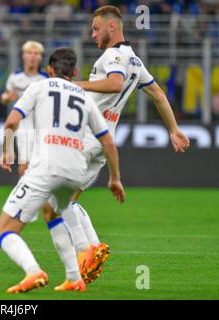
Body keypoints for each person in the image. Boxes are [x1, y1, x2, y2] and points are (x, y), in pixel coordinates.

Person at [43, 5, 191, 284]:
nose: (92, 34)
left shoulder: (112, 56)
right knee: (65, 201)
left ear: (112, 27)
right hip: (102, 141)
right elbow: (158, 94)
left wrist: (74, 85)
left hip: (84, 139)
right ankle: (93, 249)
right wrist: (174, 129)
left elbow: (113, 84)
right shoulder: (134, 59)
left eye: (96, 28)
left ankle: (87, 252)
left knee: (55, 199)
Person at [0, 47, 125, 293]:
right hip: (75, 170)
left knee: (3, 231)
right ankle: (74, 276)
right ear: (75, 72)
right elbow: (108, 141)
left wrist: (6, 151)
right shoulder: (85, 96)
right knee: (52, 213)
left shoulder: (39, 86)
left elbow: (12, 121)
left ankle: (33, 272)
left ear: (49, 70)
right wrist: (115, 178)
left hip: (46, 168)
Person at [1, 40, 48, 177]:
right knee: (24, 168)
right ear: (23, 56)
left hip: (41, 124)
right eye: (29, 53)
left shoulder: (44, 78)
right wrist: (7, 97)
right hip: (23, 125)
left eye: (36, 53)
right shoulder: (15, 77)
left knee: (42, 168)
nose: (33, 56)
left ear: (40, 57)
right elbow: (5, 97)